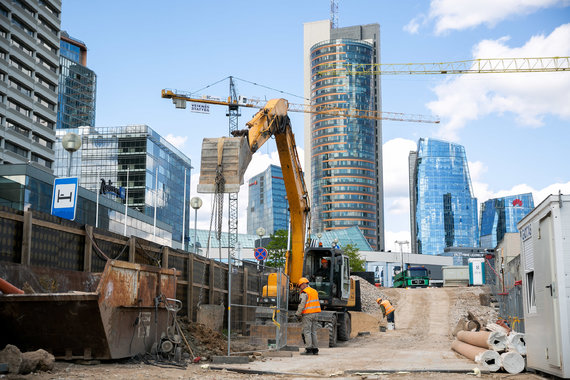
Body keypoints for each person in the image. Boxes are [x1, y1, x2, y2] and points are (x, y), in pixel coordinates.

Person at [296, 277, 321, 355]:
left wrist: (297, 314)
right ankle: (315, 349)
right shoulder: (314, 291)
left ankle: (308, 349)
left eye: (300, 286)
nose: (300, 288)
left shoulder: (304, 292)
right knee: (313, 332)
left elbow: (302, 304)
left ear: (303, 284)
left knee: (307, 332)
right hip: (316, 314)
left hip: (307, 314)